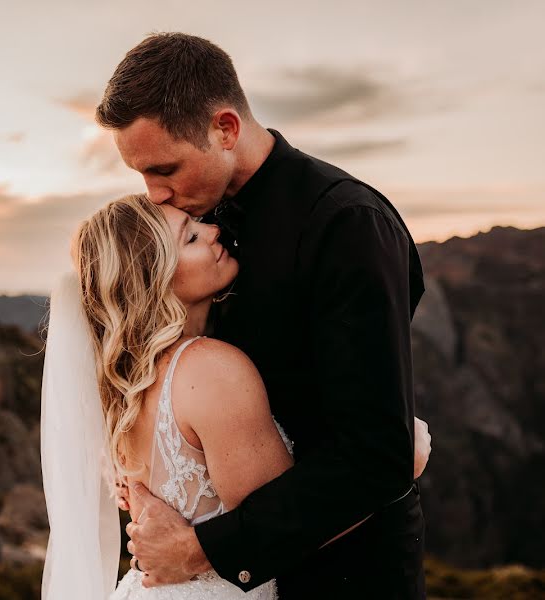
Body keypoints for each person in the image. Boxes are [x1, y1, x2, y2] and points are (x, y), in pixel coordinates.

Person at [92, 32, 428, 599]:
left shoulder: (346, 225)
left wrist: (202, 549)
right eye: (141, 174)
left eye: (164, 168)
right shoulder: (192, 229)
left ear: (225, 128)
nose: (153, 195)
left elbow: (374, 454)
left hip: (345, 576)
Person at [40, 195, 431, 599]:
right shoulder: (210, 370)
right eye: (190, 237)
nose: (213, 231)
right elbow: (298, 530)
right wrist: (398, 463)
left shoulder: (124, 382)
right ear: (155, 277)